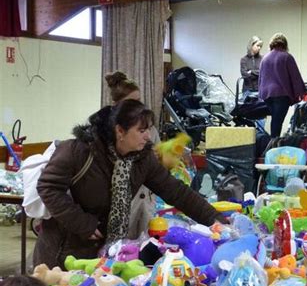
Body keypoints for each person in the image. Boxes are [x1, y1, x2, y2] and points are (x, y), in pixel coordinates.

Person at [33, 99, 225, 269]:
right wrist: (83, 224)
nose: (148, 136)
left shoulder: (141, 159)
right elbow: (48, 187)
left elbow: (177, 192)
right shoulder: (78, 151)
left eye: (148, 130)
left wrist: (217, 221)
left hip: (104, 254)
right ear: (120, 131)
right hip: (63, 254)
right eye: (141, 131)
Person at [104, 71, 158, 239]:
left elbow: (174, 188)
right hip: (127, 201)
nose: (137, 107)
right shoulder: (101, 139)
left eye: (139, 101)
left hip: (146, 197)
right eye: (131, 102)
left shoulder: (149, 132)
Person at [259, 33, 306, 138]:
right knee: (277, 122)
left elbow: (261, 78)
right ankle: (273, 148)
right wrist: (302, 93)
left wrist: (261, 94)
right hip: (281, 95)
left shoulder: (265, 58)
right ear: (284, 44)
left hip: (267, 96)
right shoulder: (286, 57)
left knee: (275, 121)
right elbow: (295, 77)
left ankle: (272, 145)